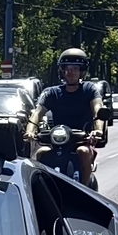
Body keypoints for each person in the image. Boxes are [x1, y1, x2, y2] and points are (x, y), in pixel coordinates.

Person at [30, 48, 105, 179]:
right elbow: (37, 112)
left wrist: (98, 130)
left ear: (82, 71)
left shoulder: (89, 89)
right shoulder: (51, 92)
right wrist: (30, 131)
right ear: (62, 71)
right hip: (58, 141)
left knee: (83, 151)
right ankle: (44, 190)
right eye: (67, 69)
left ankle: (84, 189)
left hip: (82, 140)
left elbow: (98, 109)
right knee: (41, 153)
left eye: (75, 69)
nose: (71, 73)